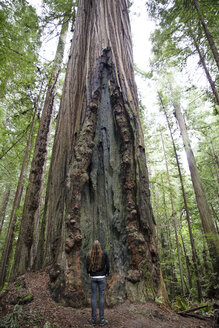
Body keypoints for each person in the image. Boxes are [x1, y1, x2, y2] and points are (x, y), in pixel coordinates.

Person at [86, 240, 110, 326]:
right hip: (102, 278)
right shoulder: (104, 254)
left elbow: (87, 267)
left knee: (93, 297)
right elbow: (108, 265)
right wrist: (106, 273)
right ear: (100, 246)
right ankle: (102, 319)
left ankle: (93, 319)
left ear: (92, 246)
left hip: (93, 278)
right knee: (101, 297)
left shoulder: (89, 255)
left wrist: (89, 273)